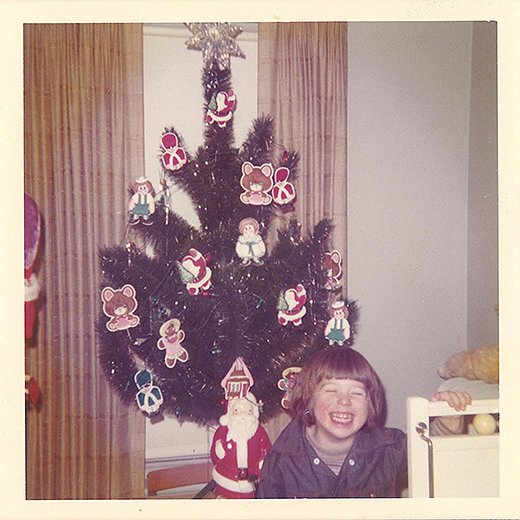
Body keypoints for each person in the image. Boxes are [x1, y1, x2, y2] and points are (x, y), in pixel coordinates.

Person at [256, 347, 471, 499]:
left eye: (357, 393)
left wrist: (448, 418)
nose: (344, 400)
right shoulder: (279, 462)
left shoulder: (390, 449)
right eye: (331, 390)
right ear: (308, 400)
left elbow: (430, 460)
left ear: (370, 404)